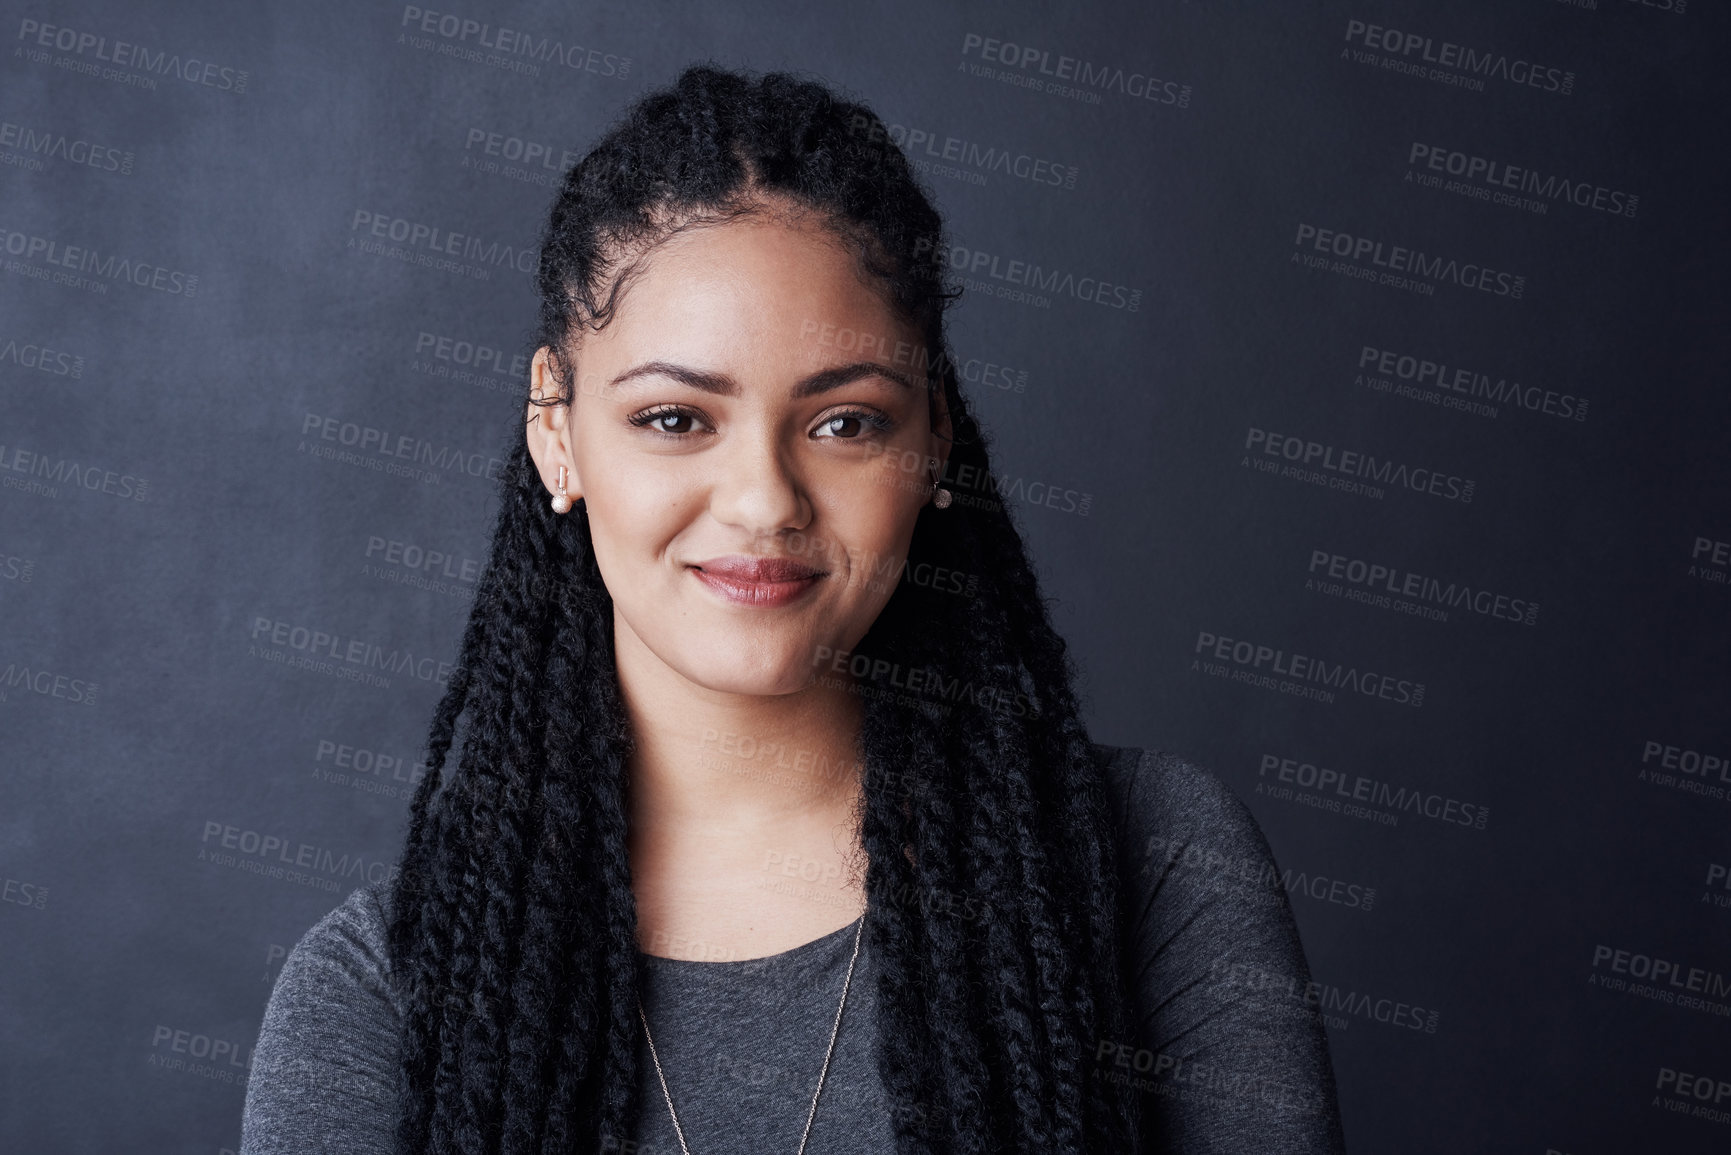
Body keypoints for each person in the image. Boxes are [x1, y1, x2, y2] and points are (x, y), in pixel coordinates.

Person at [239, 64, 1346, 1155]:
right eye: (675, 418)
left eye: (845, 423)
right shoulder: (377, 997)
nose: (766, 501)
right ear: (555, 431)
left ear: (936, 441)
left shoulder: (1150, 862)